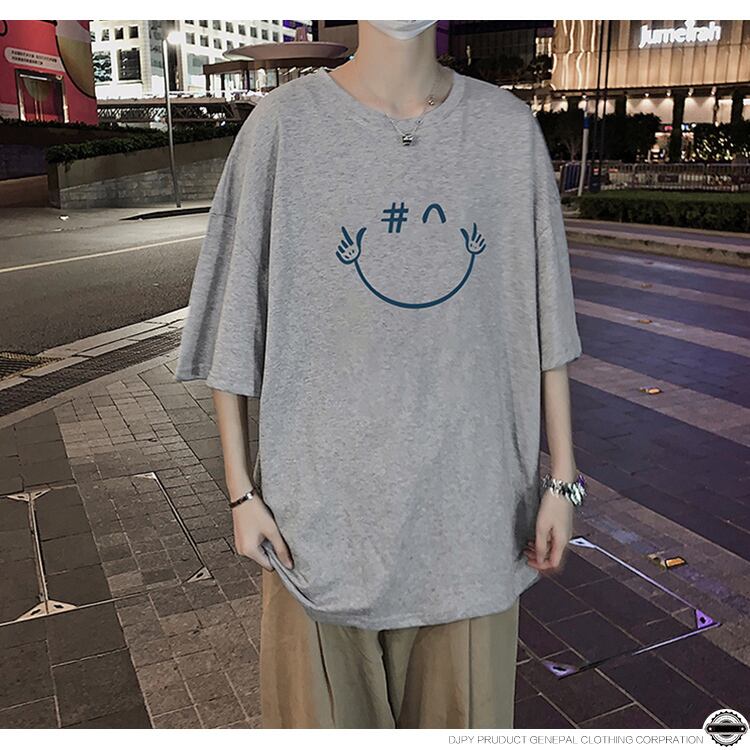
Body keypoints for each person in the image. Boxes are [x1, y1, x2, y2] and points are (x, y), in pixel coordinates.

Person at [175, 19, 585, 729]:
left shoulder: (507, 132)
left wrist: (563, 479)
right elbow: (235, 320)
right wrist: (241, 494)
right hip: (317, 533)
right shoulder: (282, 128)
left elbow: (548, 321)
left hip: (473, 525)